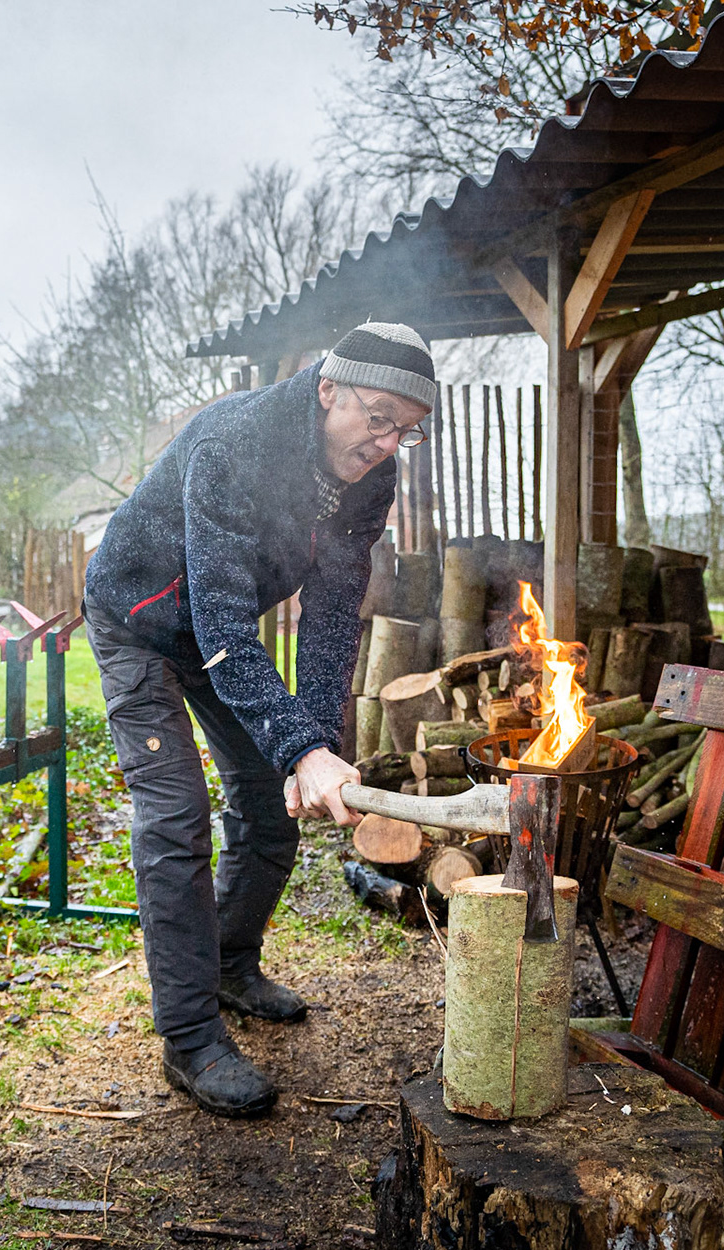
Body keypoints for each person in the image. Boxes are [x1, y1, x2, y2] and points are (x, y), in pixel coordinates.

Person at [82, 322, 436, 1117]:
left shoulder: (367, 478)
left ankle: (232, 967)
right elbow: (224, 626)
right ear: (327, 391)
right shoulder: (234, 442)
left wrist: (311, 740)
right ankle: (191, 1038)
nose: (385, 442)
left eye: (405, 431)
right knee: (176, 816)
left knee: (270, 810)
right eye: (376, 417)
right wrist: (300, 745)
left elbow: (335, 610)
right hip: (138, 622)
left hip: (214, 636)